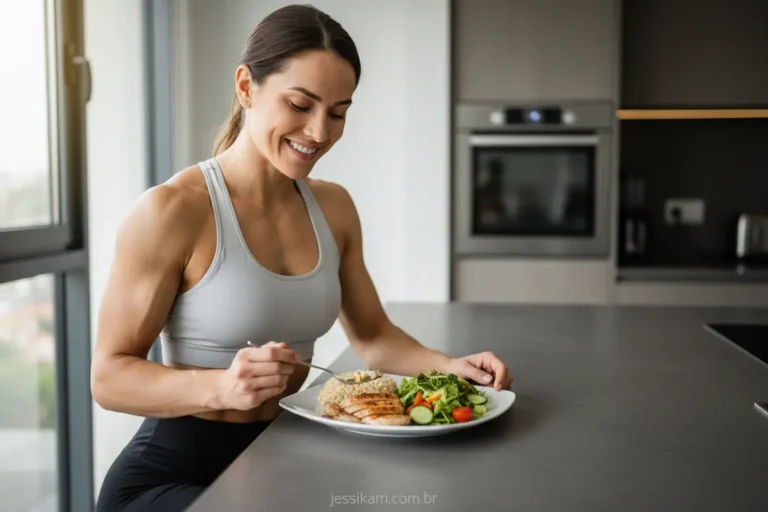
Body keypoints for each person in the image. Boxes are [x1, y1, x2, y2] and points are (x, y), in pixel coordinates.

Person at [91, 5, 513, 511]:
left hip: (283, 457)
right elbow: (109, 377)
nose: (319, 132)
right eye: (299, 104)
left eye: (338, 112)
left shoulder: (333, 207)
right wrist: (223, 387)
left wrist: (450, 369)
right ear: (246, 87)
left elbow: (374, 337)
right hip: (171, 476)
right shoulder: (172, 210)